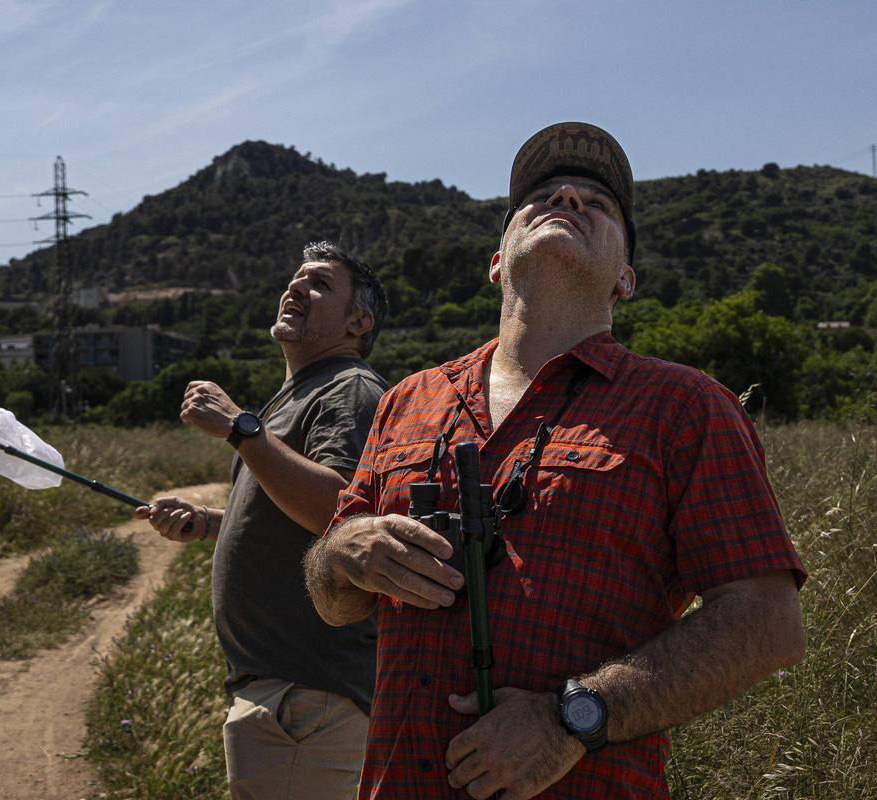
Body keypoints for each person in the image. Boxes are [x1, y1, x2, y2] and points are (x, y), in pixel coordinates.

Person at [303, 122, 807, 800]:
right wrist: (343, 551)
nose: (567, 196)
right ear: (496, 258)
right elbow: (331, 600)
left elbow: (767, 623)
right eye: (540, 195)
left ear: (625, 278)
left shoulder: (687, 407)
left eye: (598, 202)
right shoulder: (406, 400)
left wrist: (572, 719)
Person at [135, 240, 389, 799]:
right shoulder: (298, 395)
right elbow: (288, 507)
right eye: (296, 279)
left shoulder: (347, 389)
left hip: (307, 694)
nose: (296, 287)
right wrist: (208, 521)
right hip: (287, 693)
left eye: (319, 283)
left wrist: (240, 428)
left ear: (358, 321)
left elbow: (343, 515)